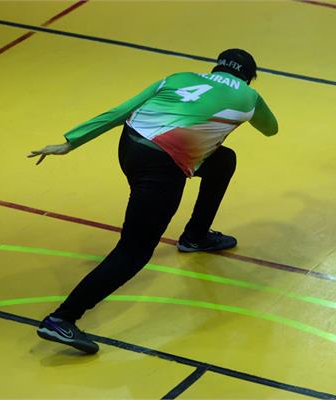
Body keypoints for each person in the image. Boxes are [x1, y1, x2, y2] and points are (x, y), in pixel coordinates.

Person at [28, 49, 278, 354]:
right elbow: (271, 129)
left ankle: (196, 236)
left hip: (130, 147)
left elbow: (123, 110)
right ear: (250, 78)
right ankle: (62, 319)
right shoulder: (249, 97)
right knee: (134, 251)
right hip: (162, 165)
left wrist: (71, 142)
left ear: (215, 68)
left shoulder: (179, 77)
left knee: (223, 161)